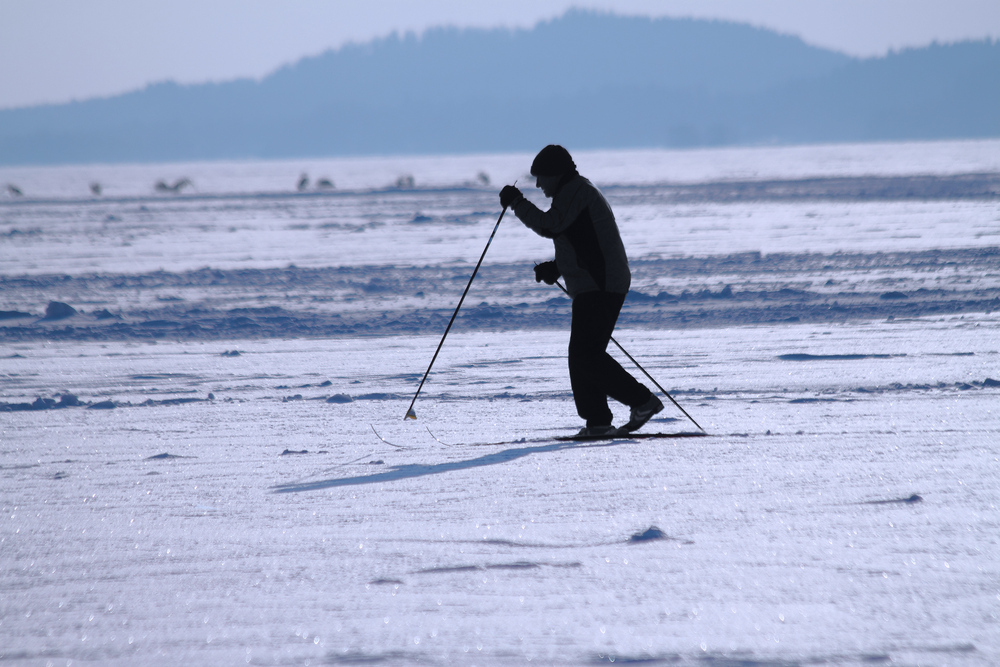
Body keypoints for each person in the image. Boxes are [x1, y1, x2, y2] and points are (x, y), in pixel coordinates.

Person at [499, 145, 663, 436]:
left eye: (541, 178)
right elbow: (579, 239)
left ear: (556, 174)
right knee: (583, 355)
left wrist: (518, 203)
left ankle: (642, 401)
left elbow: (552, 226)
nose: (538, 185)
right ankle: (598, 422)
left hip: (601, 284)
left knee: (585, 355)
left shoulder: (577, 190)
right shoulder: (571, 192)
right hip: (594, 283)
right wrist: (557, 267)